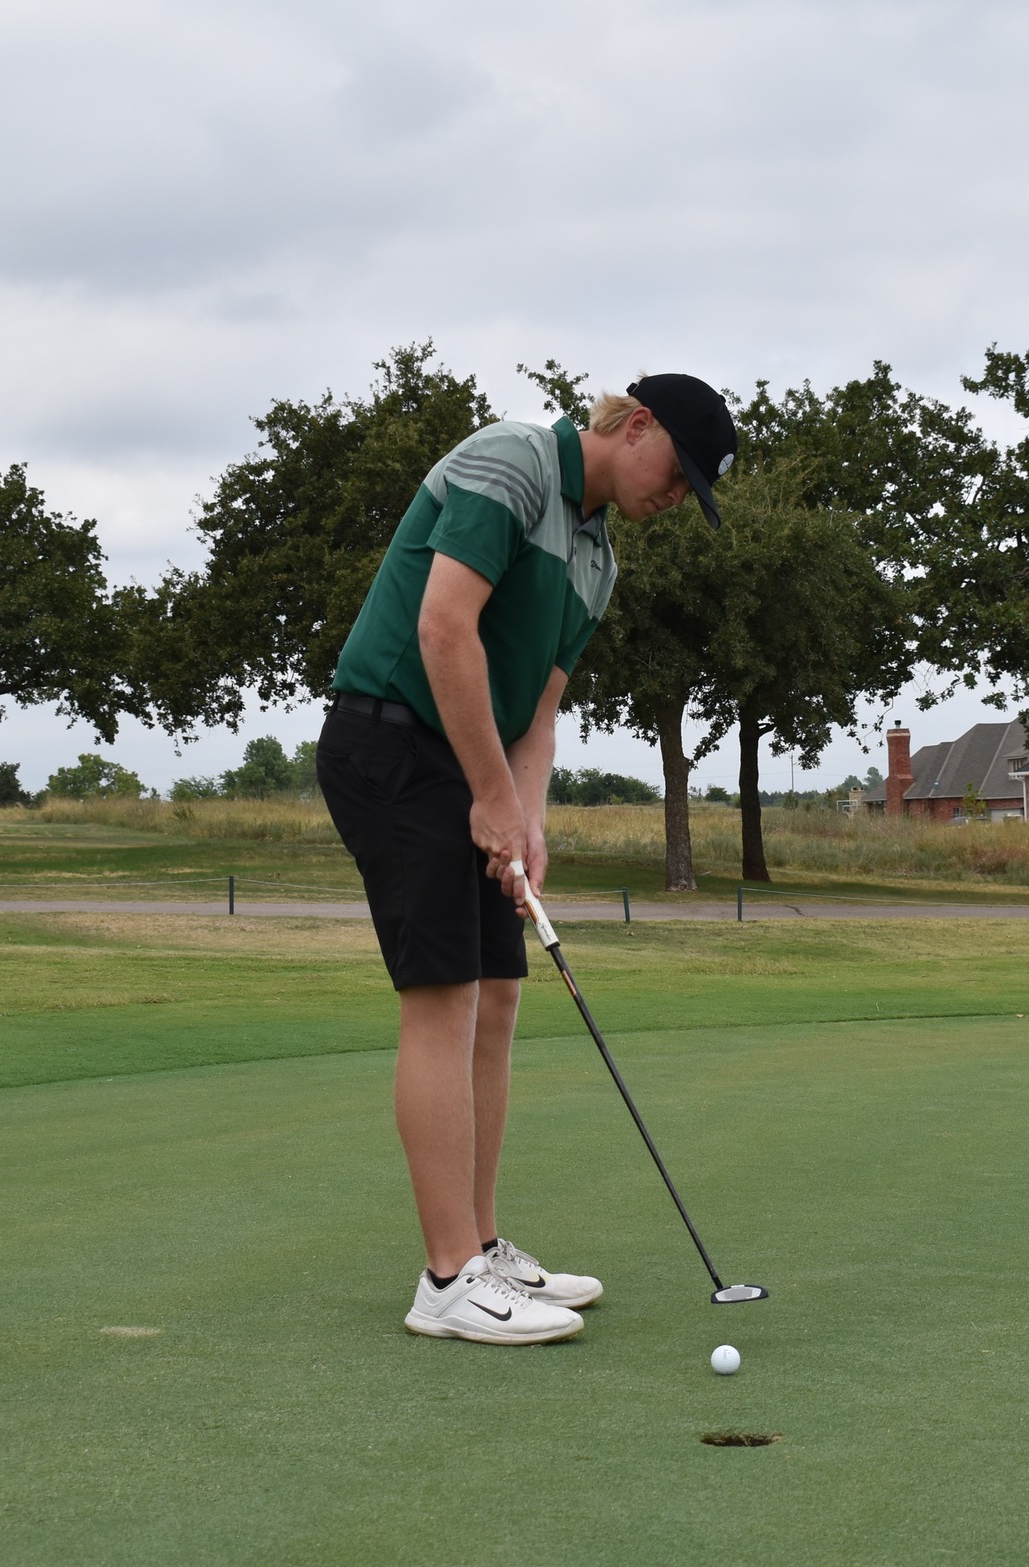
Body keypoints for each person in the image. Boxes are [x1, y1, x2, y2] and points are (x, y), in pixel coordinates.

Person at [316, 375, 737, 1345]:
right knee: (446, 992)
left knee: (499, 992)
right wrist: (490, 796)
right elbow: (443, 627)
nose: (673, 500)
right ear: (637, 427)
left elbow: (538, 712)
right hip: (389, 739)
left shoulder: (597, 564)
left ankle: (483, 1242)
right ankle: (446, 1275)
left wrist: (527, 815)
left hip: (466, 766)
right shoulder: (510, 464)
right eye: (677, 475)